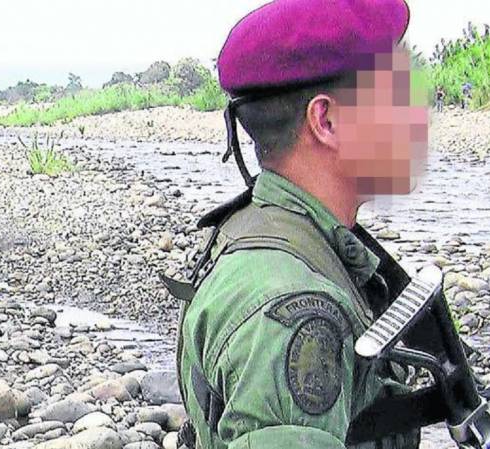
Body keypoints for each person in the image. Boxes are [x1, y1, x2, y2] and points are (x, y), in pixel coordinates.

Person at [168, 0, 432, 448]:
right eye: (399, 94)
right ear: (326, 121)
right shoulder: (293, 308)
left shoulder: (279, 229)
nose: (420, 117)